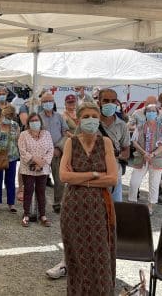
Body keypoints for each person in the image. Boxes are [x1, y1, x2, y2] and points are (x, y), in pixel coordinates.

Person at [59, 101, 119, 295]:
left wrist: (79, 179)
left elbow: (111, 179)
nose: (90, 120)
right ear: (78, 119)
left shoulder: (106, 142)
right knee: (77, 256)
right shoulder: (71, 142)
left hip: (99, 207)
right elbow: (63, 176)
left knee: (101, 254)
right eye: (85, 117)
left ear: (99, 118)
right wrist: (94, 175)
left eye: (94, 116)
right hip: (73, 209)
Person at [128, 104, 162, 215]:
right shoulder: (140, 126)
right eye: (149, 111)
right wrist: (144, 153)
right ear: (145, 113)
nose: (151, 113)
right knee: (134, 182)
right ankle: (132, 204)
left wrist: (153, 154)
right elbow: (134, 141)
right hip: (141, 158)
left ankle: (150, 206)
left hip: (157, 159)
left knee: (154, 183)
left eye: (153, 111)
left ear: (157, 113)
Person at [18, 113, 54, 227]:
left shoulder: (47, 134)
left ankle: (43, 215)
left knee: (41, 192)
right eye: (32, 120)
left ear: (40, 122)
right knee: (28, 191)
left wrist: (42, 162)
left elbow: (51, 149)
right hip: (28, 168)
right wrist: (35, 160)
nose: (35, 122)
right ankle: (26, 215)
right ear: (28, 123)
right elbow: (22, 151)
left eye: (36, 120)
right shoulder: (23, 134)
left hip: (43, 168)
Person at [39, 92, 70, 213]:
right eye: (45, 101)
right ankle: (40, 206)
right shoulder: (38, 117)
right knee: (41, 181)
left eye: (50, 101)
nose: (48, 103)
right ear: (41, 104)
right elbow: (35, 134)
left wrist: (58, 148)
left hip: (58, 153)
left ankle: (58, 203)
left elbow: (65, 133)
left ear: (54, 102)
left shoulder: (59, 116)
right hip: (43, 154)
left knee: (59, 180)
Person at [98, 89, 131, 202]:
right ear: (99, 102)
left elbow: (126, 151)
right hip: (94, 173)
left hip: (114, 173)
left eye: (113, 101)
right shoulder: (91, 122)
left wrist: (115, 155)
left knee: (116, 208)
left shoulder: (122, 125)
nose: (109, 104)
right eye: (106, 101)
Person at [0, 105, 20, 213]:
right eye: (7, 115)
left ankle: (11, 203)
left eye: (10, 116)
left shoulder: (15, 125)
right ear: (2, 114)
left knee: (10, 181)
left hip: (12, 156)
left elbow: (17, 139)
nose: (8, 118)